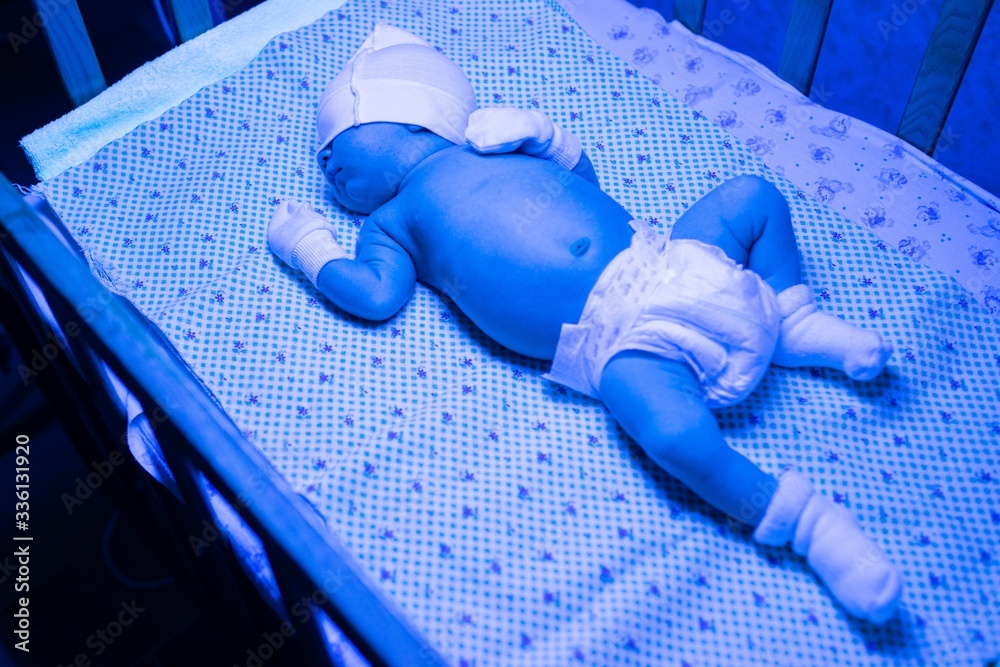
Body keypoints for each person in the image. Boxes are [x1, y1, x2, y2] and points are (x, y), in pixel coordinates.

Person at [267, 24, 902, 623]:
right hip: (620, 341)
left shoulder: (491, 141)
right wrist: (310, 248)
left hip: (671, 258)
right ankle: (808, 524)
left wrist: (548, 139)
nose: (325, 166)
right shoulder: (390, 223)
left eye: (333, 143)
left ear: (410, 115)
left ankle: (794, 320)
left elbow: (586, 185)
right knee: (673, 435)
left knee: (751, 195)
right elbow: (377, 295)